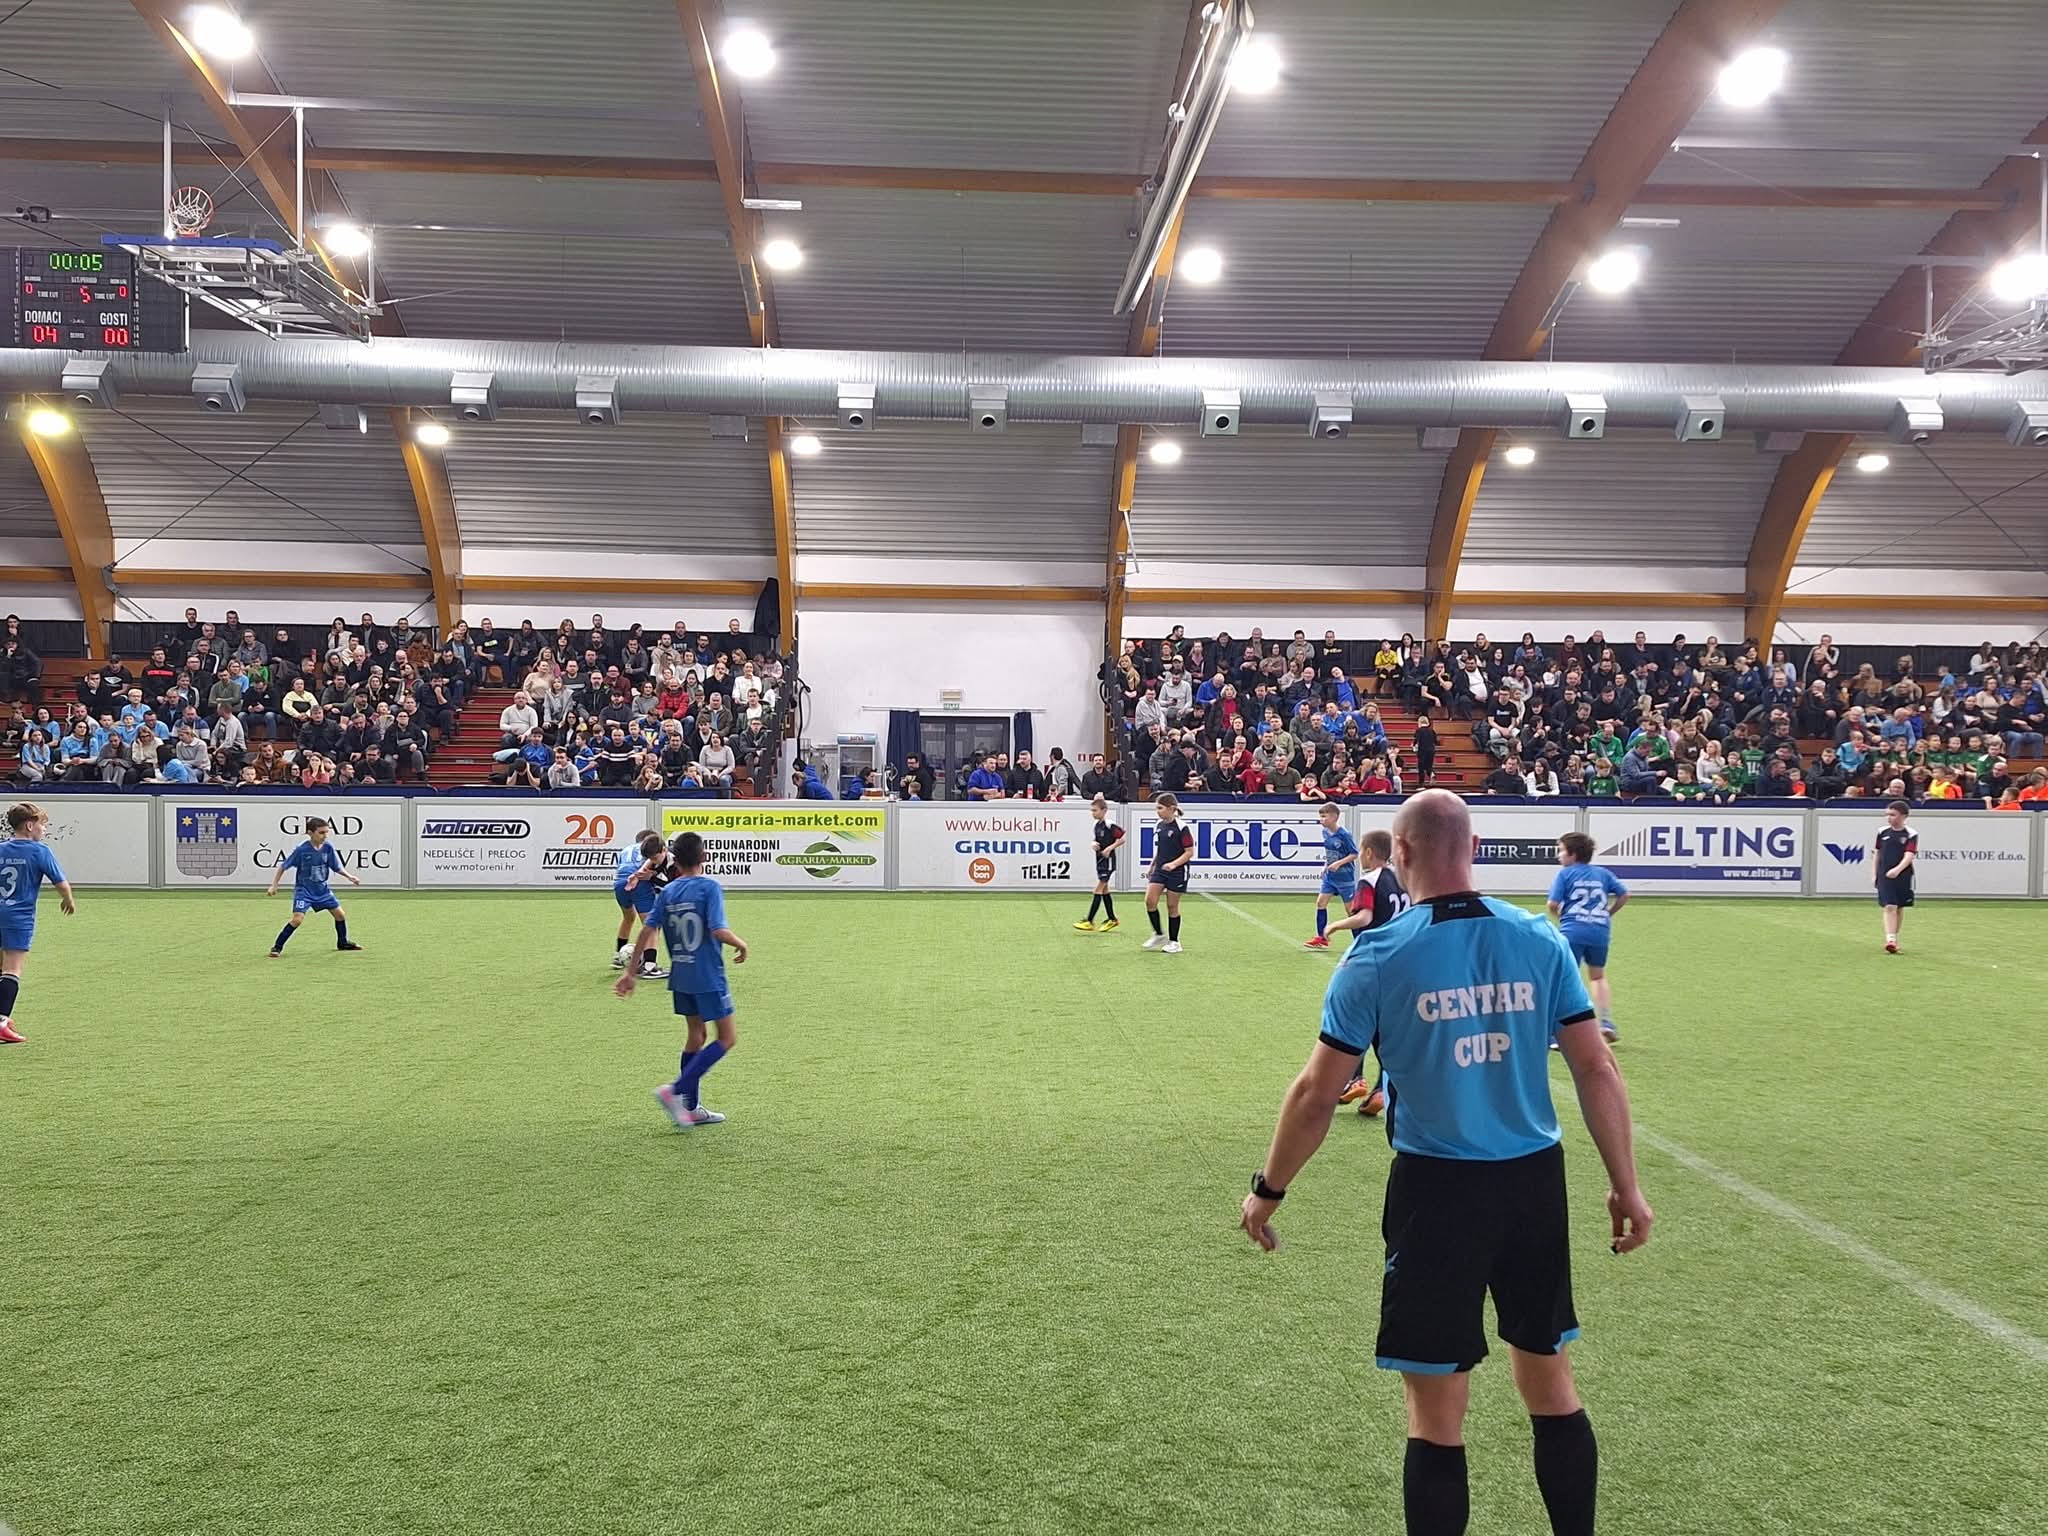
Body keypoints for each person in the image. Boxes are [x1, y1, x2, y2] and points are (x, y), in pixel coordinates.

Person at [1238, 790, 1651, 1536]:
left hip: (1436, 1191)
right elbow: (1597, 1068)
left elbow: (1315, 1094)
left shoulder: (1377, 954)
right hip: (1534, 1182)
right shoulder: (1538, 938)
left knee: (1436, 1411)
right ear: (1476, 846)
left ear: (1400, 853)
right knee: (1551, 1382)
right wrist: (1626, 1186)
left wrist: (1269, 1189)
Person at [616, 832, 749, 1130]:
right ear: (704, 857)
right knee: (727, 1038)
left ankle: (690, 1108)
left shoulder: (669, 891)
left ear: (675, 860)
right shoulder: (709, 887)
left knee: (696, 1036)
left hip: (681, 974)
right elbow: (717, 930)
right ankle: (675, 1091)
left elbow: (647, 930)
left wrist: (630, 973)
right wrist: (741, 944)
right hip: (707, 973)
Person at [1325, 828, 1408, 1116]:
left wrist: (1335, 925)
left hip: (1374, 959)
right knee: (1387, 1024)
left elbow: (1364, 917)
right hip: (1404, 960)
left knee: (1356, 1015)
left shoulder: (1369, 880)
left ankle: (1355, 1078)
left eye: (1361, 850)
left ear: (1369, 853)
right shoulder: (1403, 879)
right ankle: (1381, 1088)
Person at [0, 803, 77, 1044]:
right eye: (42, 824)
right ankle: (1, 1021)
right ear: (29, 825)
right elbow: (60, 883)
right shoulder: (39, 851)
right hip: (18, 917)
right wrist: (68, 899)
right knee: (12, 969)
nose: (44, 829)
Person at [1547, 832, 1627, 1042]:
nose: (1558, 855)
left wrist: (1562, 918)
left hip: (1573, 931)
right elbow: (1624, 894)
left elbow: (1552, 904)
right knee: (1597, 976)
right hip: (1599, 931)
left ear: (1572, 854)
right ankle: (1605, 1021)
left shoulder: (1565, 875)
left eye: (1561, 850)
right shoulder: (1603, 873)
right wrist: (1607, 914)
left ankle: (1557, 1031)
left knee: (1564, 978)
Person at [264, 816, 365, 957]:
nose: (325, 836)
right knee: (297, 919)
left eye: (327, 832)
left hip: (322, 890)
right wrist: (274, 885)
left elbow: (336, 867)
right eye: (321, 832)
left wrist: (350, 877)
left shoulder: (328, 848)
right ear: (310, 833)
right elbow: (283, 866)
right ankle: (277, 947)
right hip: (304, 891)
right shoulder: (301, 850)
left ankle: (342, 943)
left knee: (340, 915)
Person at [611, 830, 669, 976]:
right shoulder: (650, 850)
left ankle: (618, 956)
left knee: (628, 917)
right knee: (651, 925)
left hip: (620, 883)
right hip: (639, 882)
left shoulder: (626, 849)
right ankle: (650, 966)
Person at [1142, 792, 1192, 953]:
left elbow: (1189, 852)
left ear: (1171, 808)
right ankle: (1158, 934)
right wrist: (1152, 865)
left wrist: (1173, 864)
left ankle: (1175, 942)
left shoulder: (1182, 828)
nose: (1157, 811)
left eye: (1160, 808)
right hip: (1160, 869)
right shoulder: (1159, 825)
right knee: (1150, 901)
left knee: (1172, 906)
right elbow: (1161, 848)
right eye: (1157, 808)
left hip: (1178, 871)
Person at [1304, 801, 1359, 950]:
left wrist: (1339, 863)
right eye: (1320, 816)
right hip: (1330, 877)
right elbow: (1330, 853)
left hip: (1345, 878)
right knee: (1321, 903)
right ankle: (1322, 938)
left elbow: (1354, 854)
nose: (1321, 819)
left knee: (1351, 912)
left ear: (1334, 817)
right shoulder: (1325, 832)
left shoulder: (1344, 835)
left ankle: (1359, 942)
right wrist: (1325, 866)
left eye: (1324, 816)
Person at [1074, 793, 1126, 933]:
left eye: (1095, 810)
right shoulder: (1096, 825)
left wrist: (1109, 848)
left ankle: (1089, 921)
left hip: (1108, 861)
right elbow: (1096, 839)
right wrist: (1093, 843)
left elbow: (1122, 838)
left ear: (1104, 810)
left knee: (1098, 890)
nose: (1093, 813)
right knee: (1105, 890)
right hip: (1100, 860)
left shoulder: (1109, 824)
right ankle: (1112, 919)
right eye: (1092, 810)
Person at [1875, 798, 1917, 954]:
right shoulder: (1882, 832)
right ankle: (1890, 940)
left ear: (1903, 816)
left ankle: (1894, 938)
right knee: (1890, 906)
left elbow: (1909, 855)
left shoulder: (1911, 834)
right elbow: (1877, 853)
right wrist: (1874, 874)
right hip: (1884, 874)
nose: (1889, 818)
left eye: (1893, 814)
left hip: (1903, 875)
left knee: (1899, 907)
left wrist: (1898, 869)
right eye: (1888, 814)